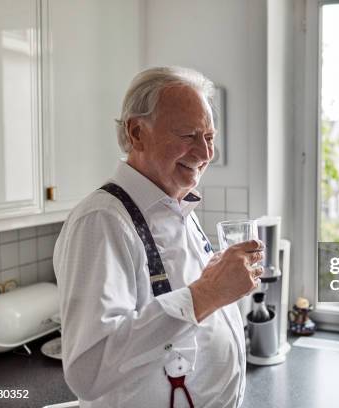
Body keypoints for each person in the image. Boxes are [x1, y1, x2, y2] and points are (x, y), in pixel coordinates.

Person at [53, 66, 263, 408]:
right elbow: (87, 371)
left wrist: (220, 284)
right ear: (137, 133)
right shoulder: (102, 221)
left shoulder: (177, 209)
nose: (205, 153)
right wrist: (207, 293)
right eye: (189, 135)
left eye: (209, 137)